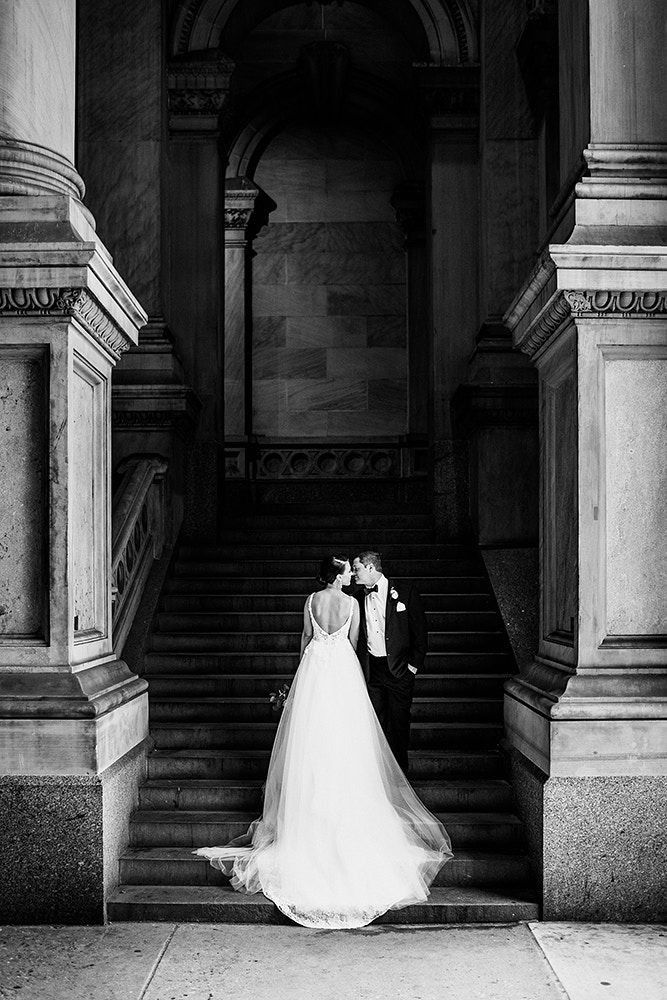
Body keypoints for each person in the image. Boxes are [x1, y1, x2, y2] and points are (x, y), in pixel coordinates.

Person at [194, 555, 452, 929]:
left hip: (314, 672)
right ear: (339, 576)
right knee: (347, 746)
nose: (351, 573)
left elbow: (304, 640)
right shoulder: (351, 604)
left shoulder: (311, 601)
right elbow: (351, 644)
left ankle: (305, 821)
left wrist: (301, 681)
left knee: (309, 746)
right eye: (347, 570)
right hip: (342, 677)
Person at [351, 551, 426, 774]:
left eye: (357, 569)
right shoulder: (356, 598)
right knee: (375, 724)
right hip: (372, 671)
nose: (354, 574)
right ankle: (377, 775)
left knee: (399, 723)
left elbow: (420, 632)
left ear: (371, 568)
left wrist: (412, 667)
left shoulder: (405, 591)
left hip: (400, 669)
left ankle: (400, 775)